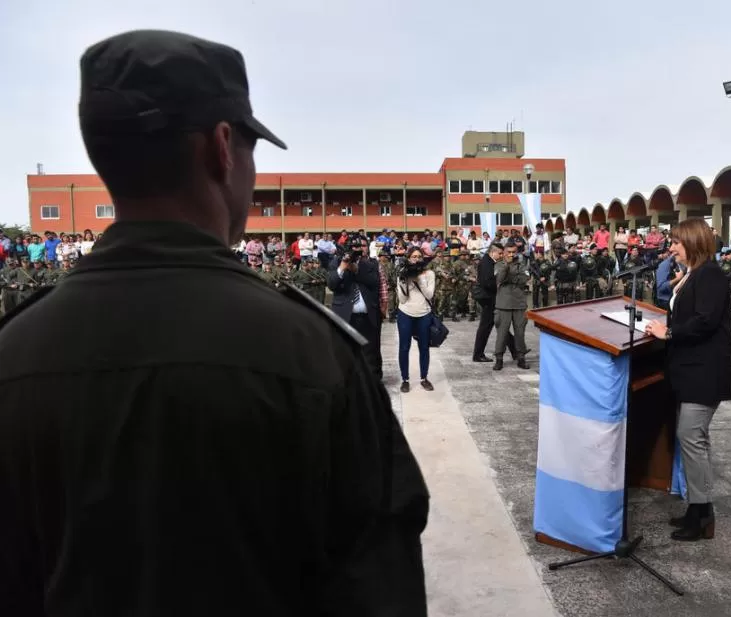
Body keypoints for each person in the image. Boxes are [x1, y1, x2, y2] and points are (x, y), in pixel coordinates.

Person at [0, 30, 429, 617]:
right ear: (222, 147)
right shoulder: (312, 354)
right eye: (252, 148)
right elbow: (379, 588)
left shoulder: (14, 354)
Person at [644, 217, 731, 542]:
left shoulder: (710, 274)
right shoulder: (696, 274)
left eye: (677, 243)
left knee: (692, 439)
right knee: (694, 440)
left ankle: (704, 514)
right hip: (691, 370)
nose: (672, 248)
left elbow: (705, 321)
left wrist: (667, 332)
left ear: (693, 243)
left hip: (704, 372)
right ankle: (697, 510)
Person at [328, 236, 384, 379]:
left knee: (370, 352)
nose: (358, 249)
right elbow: (332, 284)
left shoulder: (371, 264)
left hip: (367, 317)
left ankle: (372, 384)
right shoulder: (336, 261)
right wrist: (342, 267)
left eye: (362, 246)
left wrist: (355, 269)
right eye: (354, 247)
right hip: (345, 316)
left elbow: (373, 282)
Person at [396, 248, 436, 392]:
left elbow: (430, 295)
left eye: (419, 256)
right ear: (408, 258)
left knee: (424, 347)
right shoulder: (402, 273)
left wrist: (419, 279)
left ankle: (424, 378)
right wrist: (405, 281)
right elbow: (402, 299)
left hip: (424, 313)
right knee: (404, 347)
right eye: (413, 257)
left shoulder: (430, 273)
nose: (416, 259)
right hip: (405, 312)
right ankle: (405, 379)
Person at [471, 242, 516, 362]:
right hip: (488, 299)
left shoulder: (491, 261)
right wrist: (500, 284)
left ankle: (515, 350)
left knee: (500, 324)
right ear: (493, 252)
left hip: (491, 298)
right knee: (487, 327)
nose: (502, 255)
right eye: (500, 253)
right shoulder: (486, 263)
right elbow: (487, 282)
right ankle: (478, 354)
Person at [493, 243, 530, 371]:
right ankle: (499, 359)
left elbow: (524, 278)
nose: (511, 254)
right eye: (508, 252)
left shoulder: (522, 264)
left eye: (514, 252)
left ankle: (521, 358)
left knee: (520, 333)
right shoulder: (499, 264)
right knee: (502, 334)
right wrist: (508, 267)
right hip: (503, 304)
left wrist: (512, 277)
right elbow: (500, 279)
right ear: (503, 252)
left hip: (519, 303)